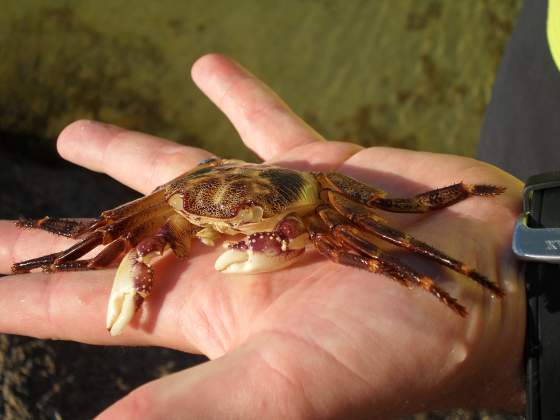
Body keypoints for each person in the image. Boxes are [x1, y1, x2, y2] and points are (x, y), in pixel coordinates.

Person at [0, 53, 526, 418]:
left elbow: (401, 208)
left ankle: (459, 266)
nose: (224, 234)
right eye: (212, 225)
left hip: (296, 199)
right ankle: (35, 256)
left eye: (240, 223)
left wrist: (483, 261)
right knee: (99, 236)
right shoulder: (177, 204)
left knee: (388, 237)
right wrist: (53, 244)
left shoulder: (319, 201)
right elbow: (112, 230)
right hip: (191, 192)